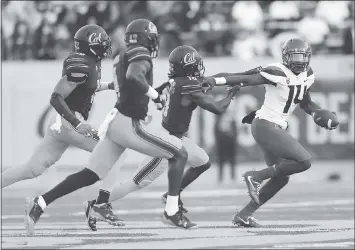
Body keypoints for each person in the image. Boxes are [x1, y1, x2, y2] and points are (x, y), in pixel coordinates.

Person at [24, 19, 191, 235]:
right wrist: (156, 95)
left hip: (116, 120)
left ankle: (42, 202)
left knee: (90, 174)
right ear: (145, 39)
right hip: (127, 124)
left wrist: (152, 94)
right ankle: (171, 212)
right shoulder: (141, 55)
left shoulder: (122, 55)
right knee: (179, 153)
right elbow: (134, 76)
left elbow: (131, 83)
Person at [83, 45, 241, 231]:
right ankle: (94, 203)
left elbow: (163, 92)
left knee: (203, 162)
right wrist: (231, 94)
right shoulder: (187, 86)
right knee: (136, 183)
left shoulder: (174, 83)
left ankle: (172, 195)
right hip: (166, 142)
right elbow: (217, 108)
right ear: (189, 66)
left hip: (178, 139)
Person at [202, 38, 339, 227]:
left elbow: (306, 103)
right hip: (265, 125)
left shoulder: (308, 74)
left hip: (275, 127)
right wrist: (214, 80)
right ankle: (255, 176)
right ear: (286, 56)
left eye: (302, 56)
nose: (299, 61)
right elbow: (243, 77)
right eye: (295, 56)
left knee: (281, 178)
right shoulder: (277, 71)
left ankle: (244, 215)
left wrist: (319, 112)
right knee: (304, 161)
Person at [2, 24, 115, 189]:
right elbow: (56, 97)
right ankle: (101, 206)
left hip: (61, 124)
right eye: (102, 43)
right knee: (112, 151)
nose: (106, 46)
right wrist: (77, 123)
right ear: (91, 45)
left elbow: (89, 86)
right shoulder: (81, 63)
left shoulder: (91, 62)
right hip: (69, 122)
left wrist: (111, 85)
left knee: (32, 169)